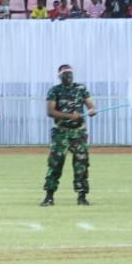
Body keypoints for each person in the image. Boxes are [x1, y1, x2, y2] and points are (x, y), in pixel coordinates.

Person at [42, 64, 96, 206]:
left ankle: (82, 196)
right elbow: (50, 112)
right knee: (55, 164)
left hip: (79, 133)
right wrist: (70, 116)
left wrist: (92, 110)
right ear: (60, 77)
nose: (68, 77)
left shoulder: (81, 89)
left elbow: (90, 104)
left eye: (70, 74)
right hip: (61, 133)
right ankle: (49, 196)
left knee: (81, 164)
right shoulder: (55, 91)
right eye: (65, 75)